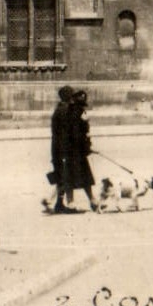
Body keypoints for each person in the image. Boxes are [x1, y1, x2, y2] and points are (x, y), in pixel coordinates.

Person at [64, 89, 98, 212]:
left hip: (76, 151)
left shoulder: (74, 111)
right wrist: (87, 146)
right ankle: (74, 202)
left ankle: (90, 201)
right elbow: (77, 134)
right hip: (74, 151)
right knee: (73, 177)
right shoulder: (75, 113)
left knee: (82, 176)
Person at [44, 85, 76, 213]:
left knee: (62, 177)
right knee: (65, 177)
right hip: (62, 149)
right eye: (72, 96)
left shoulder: (60, 109)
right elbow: (64, 133)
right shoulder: (64, 111)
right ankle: (58, 203)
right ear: (69, 97)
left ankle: (56, 203)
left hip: (58, 148)